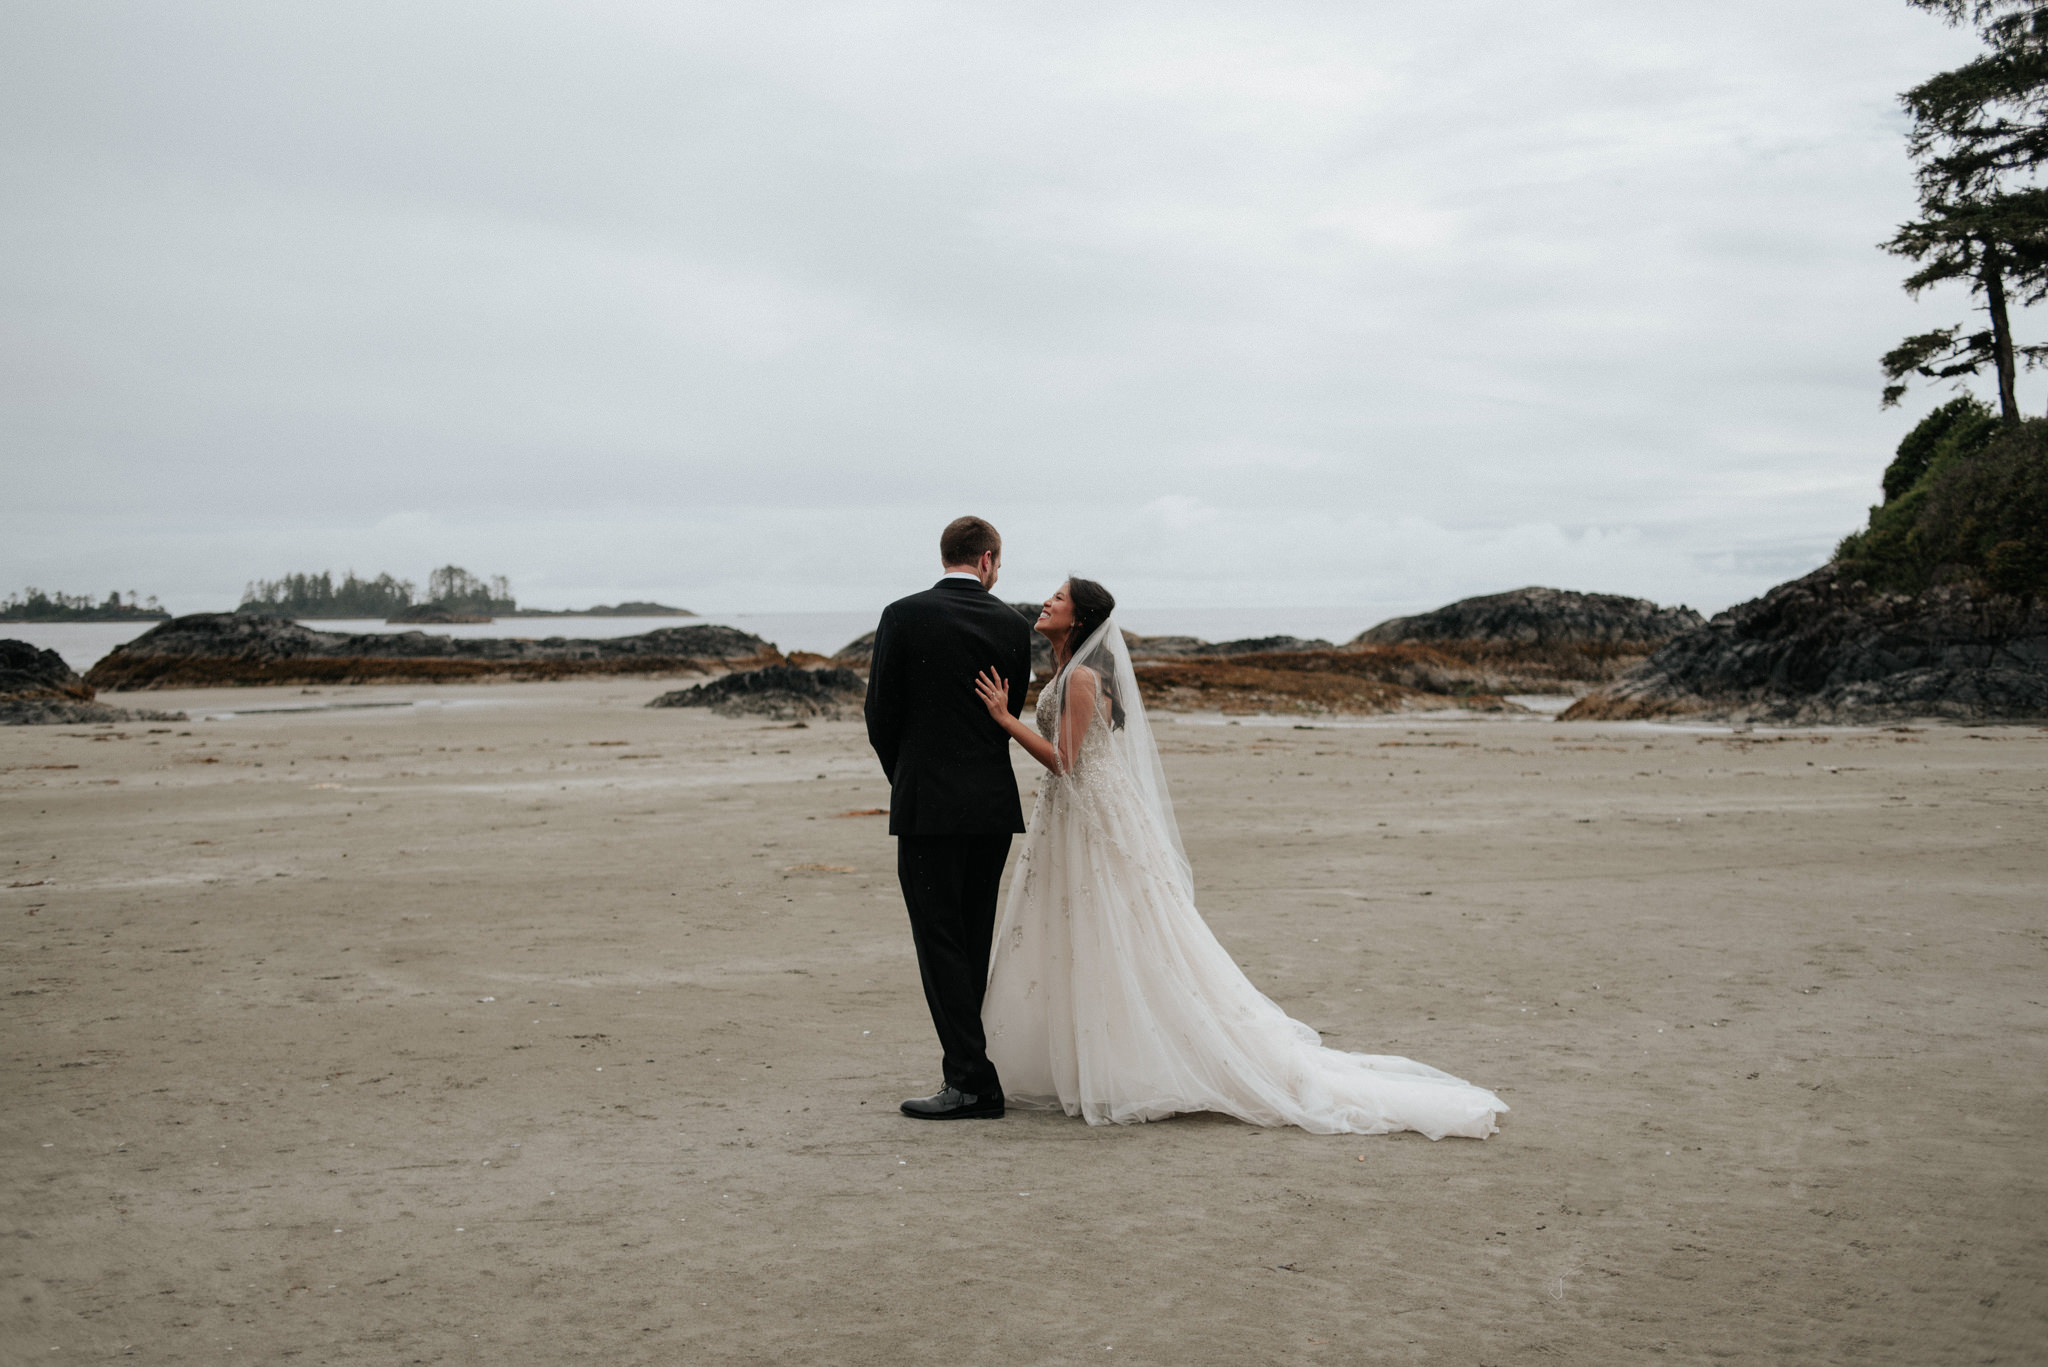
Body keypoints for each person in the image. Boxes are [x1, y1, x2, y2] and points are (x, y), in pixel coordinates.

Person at [971, 578, 1507, 1138]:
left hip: (1092, 819)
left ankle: (1130, 1062)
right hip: (1075, 816)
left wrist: (1006, 721)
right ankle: (1088, 1061)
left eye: (1060, 598)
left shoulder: (1080, 677)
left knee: (1120, 932)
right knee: (1090, 932)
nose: (1047, 602)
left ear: (1079, 618)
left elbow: (1065, 761)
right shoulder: (1065, 673)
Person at [864, 516, 1035, 1119]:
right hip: (991, 804)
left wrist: (907, 779)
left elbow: (881, 714)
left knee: (938, 943)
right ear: (987, 559)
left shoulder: (901, 615)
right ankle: (972, 1072)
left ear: (949, 556)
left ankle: (971, 1081)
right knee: (972, 935)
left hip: (927, 804)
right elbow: (1008, 712)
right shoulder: (1014, 625)